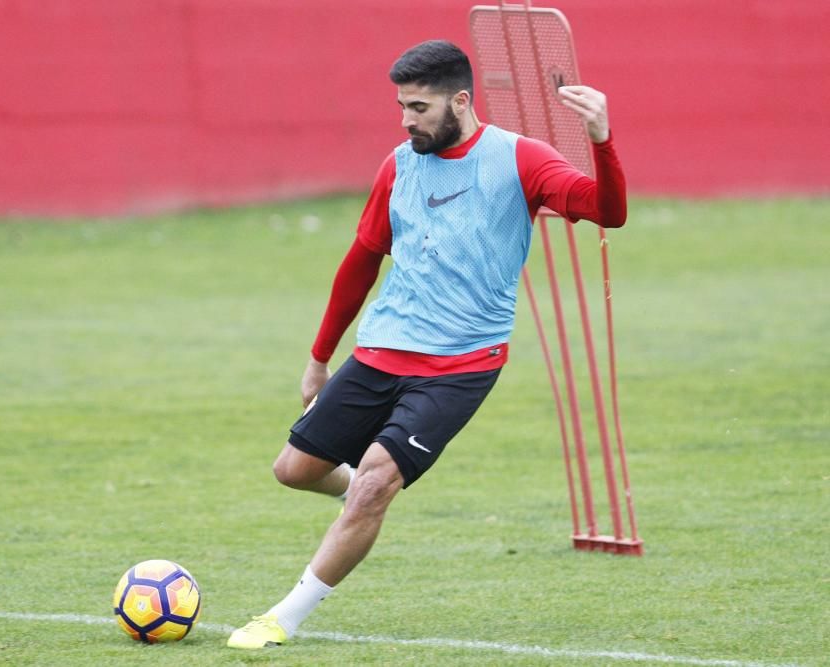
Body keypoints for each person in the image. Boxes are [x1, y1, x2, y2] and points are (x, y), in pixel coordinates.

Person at [227, 39, 627, 650]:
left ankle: (282, 617)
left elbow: (608, 212)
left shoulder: (523, 160)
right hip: (381, 349)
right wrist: (318, 357)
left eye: (418, 107)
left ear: (460, 101)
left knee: (374, 485)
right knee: (295, 470)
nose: (406, 119)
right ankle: (363, 496)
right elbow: (361, 259)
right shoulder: (398, 164)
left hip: (462, 363)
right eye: (401, 106)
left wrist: (600, 139)